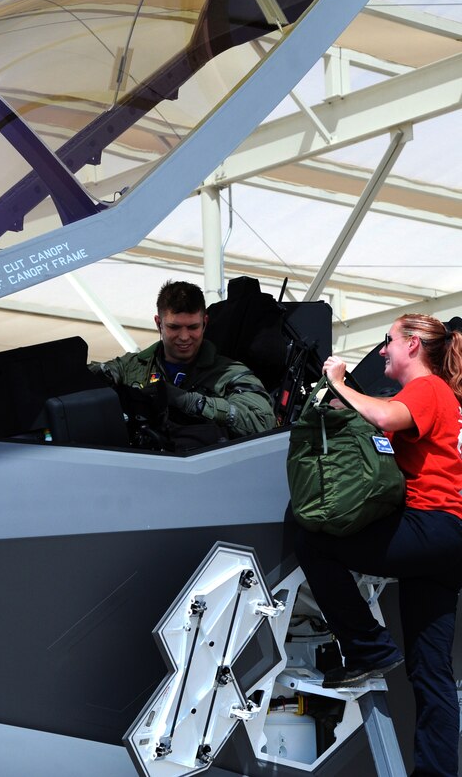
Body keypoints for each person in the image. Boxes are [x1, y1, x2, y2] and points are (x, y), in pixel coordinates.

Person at [294, 312, 462, 777]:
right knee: (430, 671)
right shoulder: (440, 396)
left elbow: (385, 415)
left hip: (431, 527)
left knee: (312, 536)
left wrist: (338, 381)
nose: (383, 349)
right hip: (446, 543)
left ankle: (367, 647)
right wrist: (342, 403)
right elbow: (378, 426)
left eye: (389, 340)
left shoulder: (427, 388)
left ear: (413, 345)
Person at [90, 280, 276, 438]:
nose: (185, 337)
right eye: (174, 327)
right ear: (159, 324)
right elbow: (86, 380)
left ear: (205, 323)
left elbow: (263, 422)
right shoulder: (131, 367)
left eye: (193, 327)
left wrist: (192, 402)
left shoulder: (229, 374)